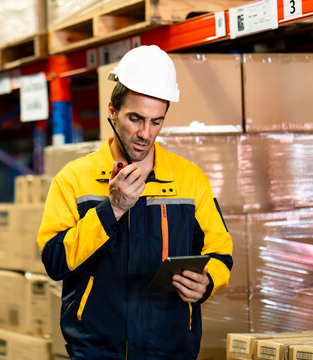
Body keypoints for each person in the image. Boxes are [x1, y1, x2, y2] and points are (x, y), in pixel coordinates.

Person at [37, 45, 233, 359]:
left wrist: (207, 282)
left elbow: (220, 252)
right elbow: (54, 260)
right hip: (98, 351)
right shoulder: (73, 180)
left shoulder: (189, 179)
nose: (145, 133)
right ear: (112, 112)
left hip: (171, 349)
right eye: (135, 118)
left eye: (156, 121)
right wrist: (111, 209)